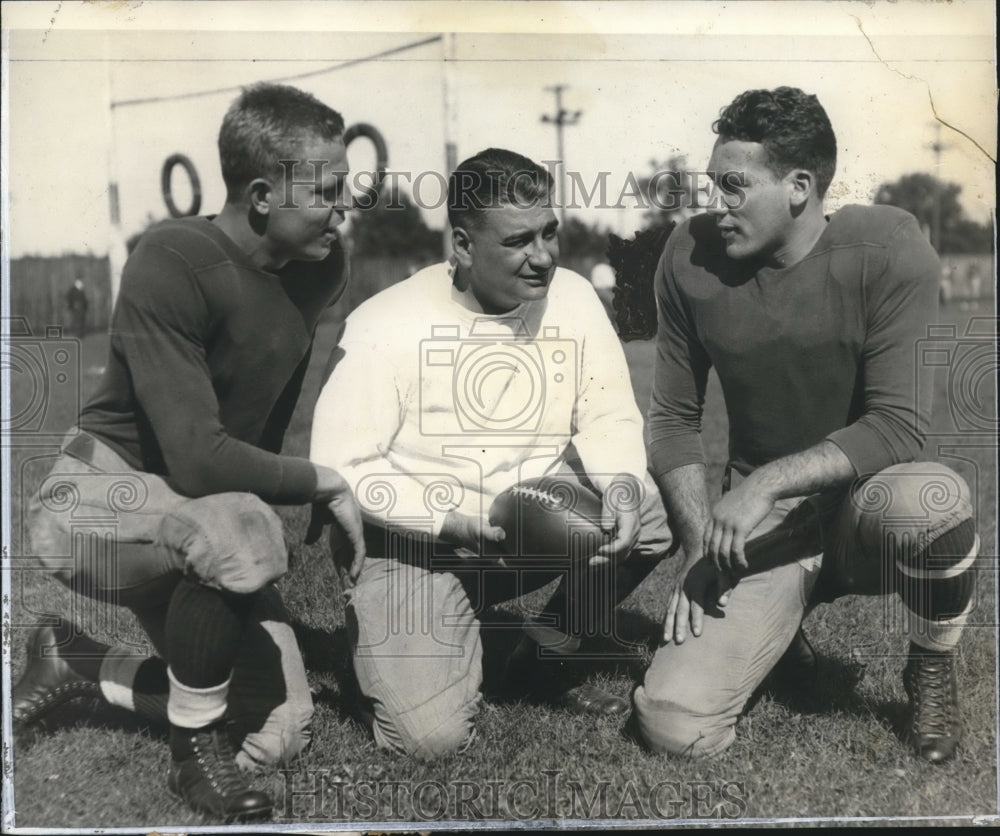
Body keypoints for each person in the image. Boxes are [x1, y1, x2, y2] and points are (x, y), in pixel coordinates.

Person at [13, 82, 366, 821]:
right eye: (329, 192)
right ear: (264, 195)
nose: (345, 209)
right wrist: (324, 483)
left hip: (192, 507)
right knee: (233, 529)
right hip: (96, 502)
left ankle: (77, 660)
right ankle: (193, 758)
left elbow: (262, 410)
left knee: (281, 724)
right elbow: (203, 462)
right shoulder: (172, 255)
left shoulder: (320, 269)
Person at [632, 87, 979, 764]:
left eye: (735, 186)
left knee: (933, 501)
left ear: (799, 186)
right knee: (676, 726)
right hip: (757, 528)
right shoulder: (689, 254)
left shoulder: (887, 246)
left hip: (862, 509)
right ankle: (779, 628)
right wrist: (703, 544)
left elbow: (900, 426)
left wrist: (767, 484)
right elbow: (673, 418)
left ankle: (932, 662)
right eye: (714, 185)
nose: (718, 205)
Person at [309, 148, 675, 759]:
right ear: (462, 244)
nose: (544, 256)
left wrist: (617, 484)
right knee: (429, 739)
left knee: (645, 514)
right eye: (519, 241)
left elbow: (608, 410)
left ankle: (542, 653)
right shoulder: (386, 322)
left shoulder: (575, 297)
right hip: (414, 545)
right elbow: (343, 468)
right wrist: (446, 519)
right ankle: (401, 644)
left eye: (550, 233)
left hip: (520, 523)